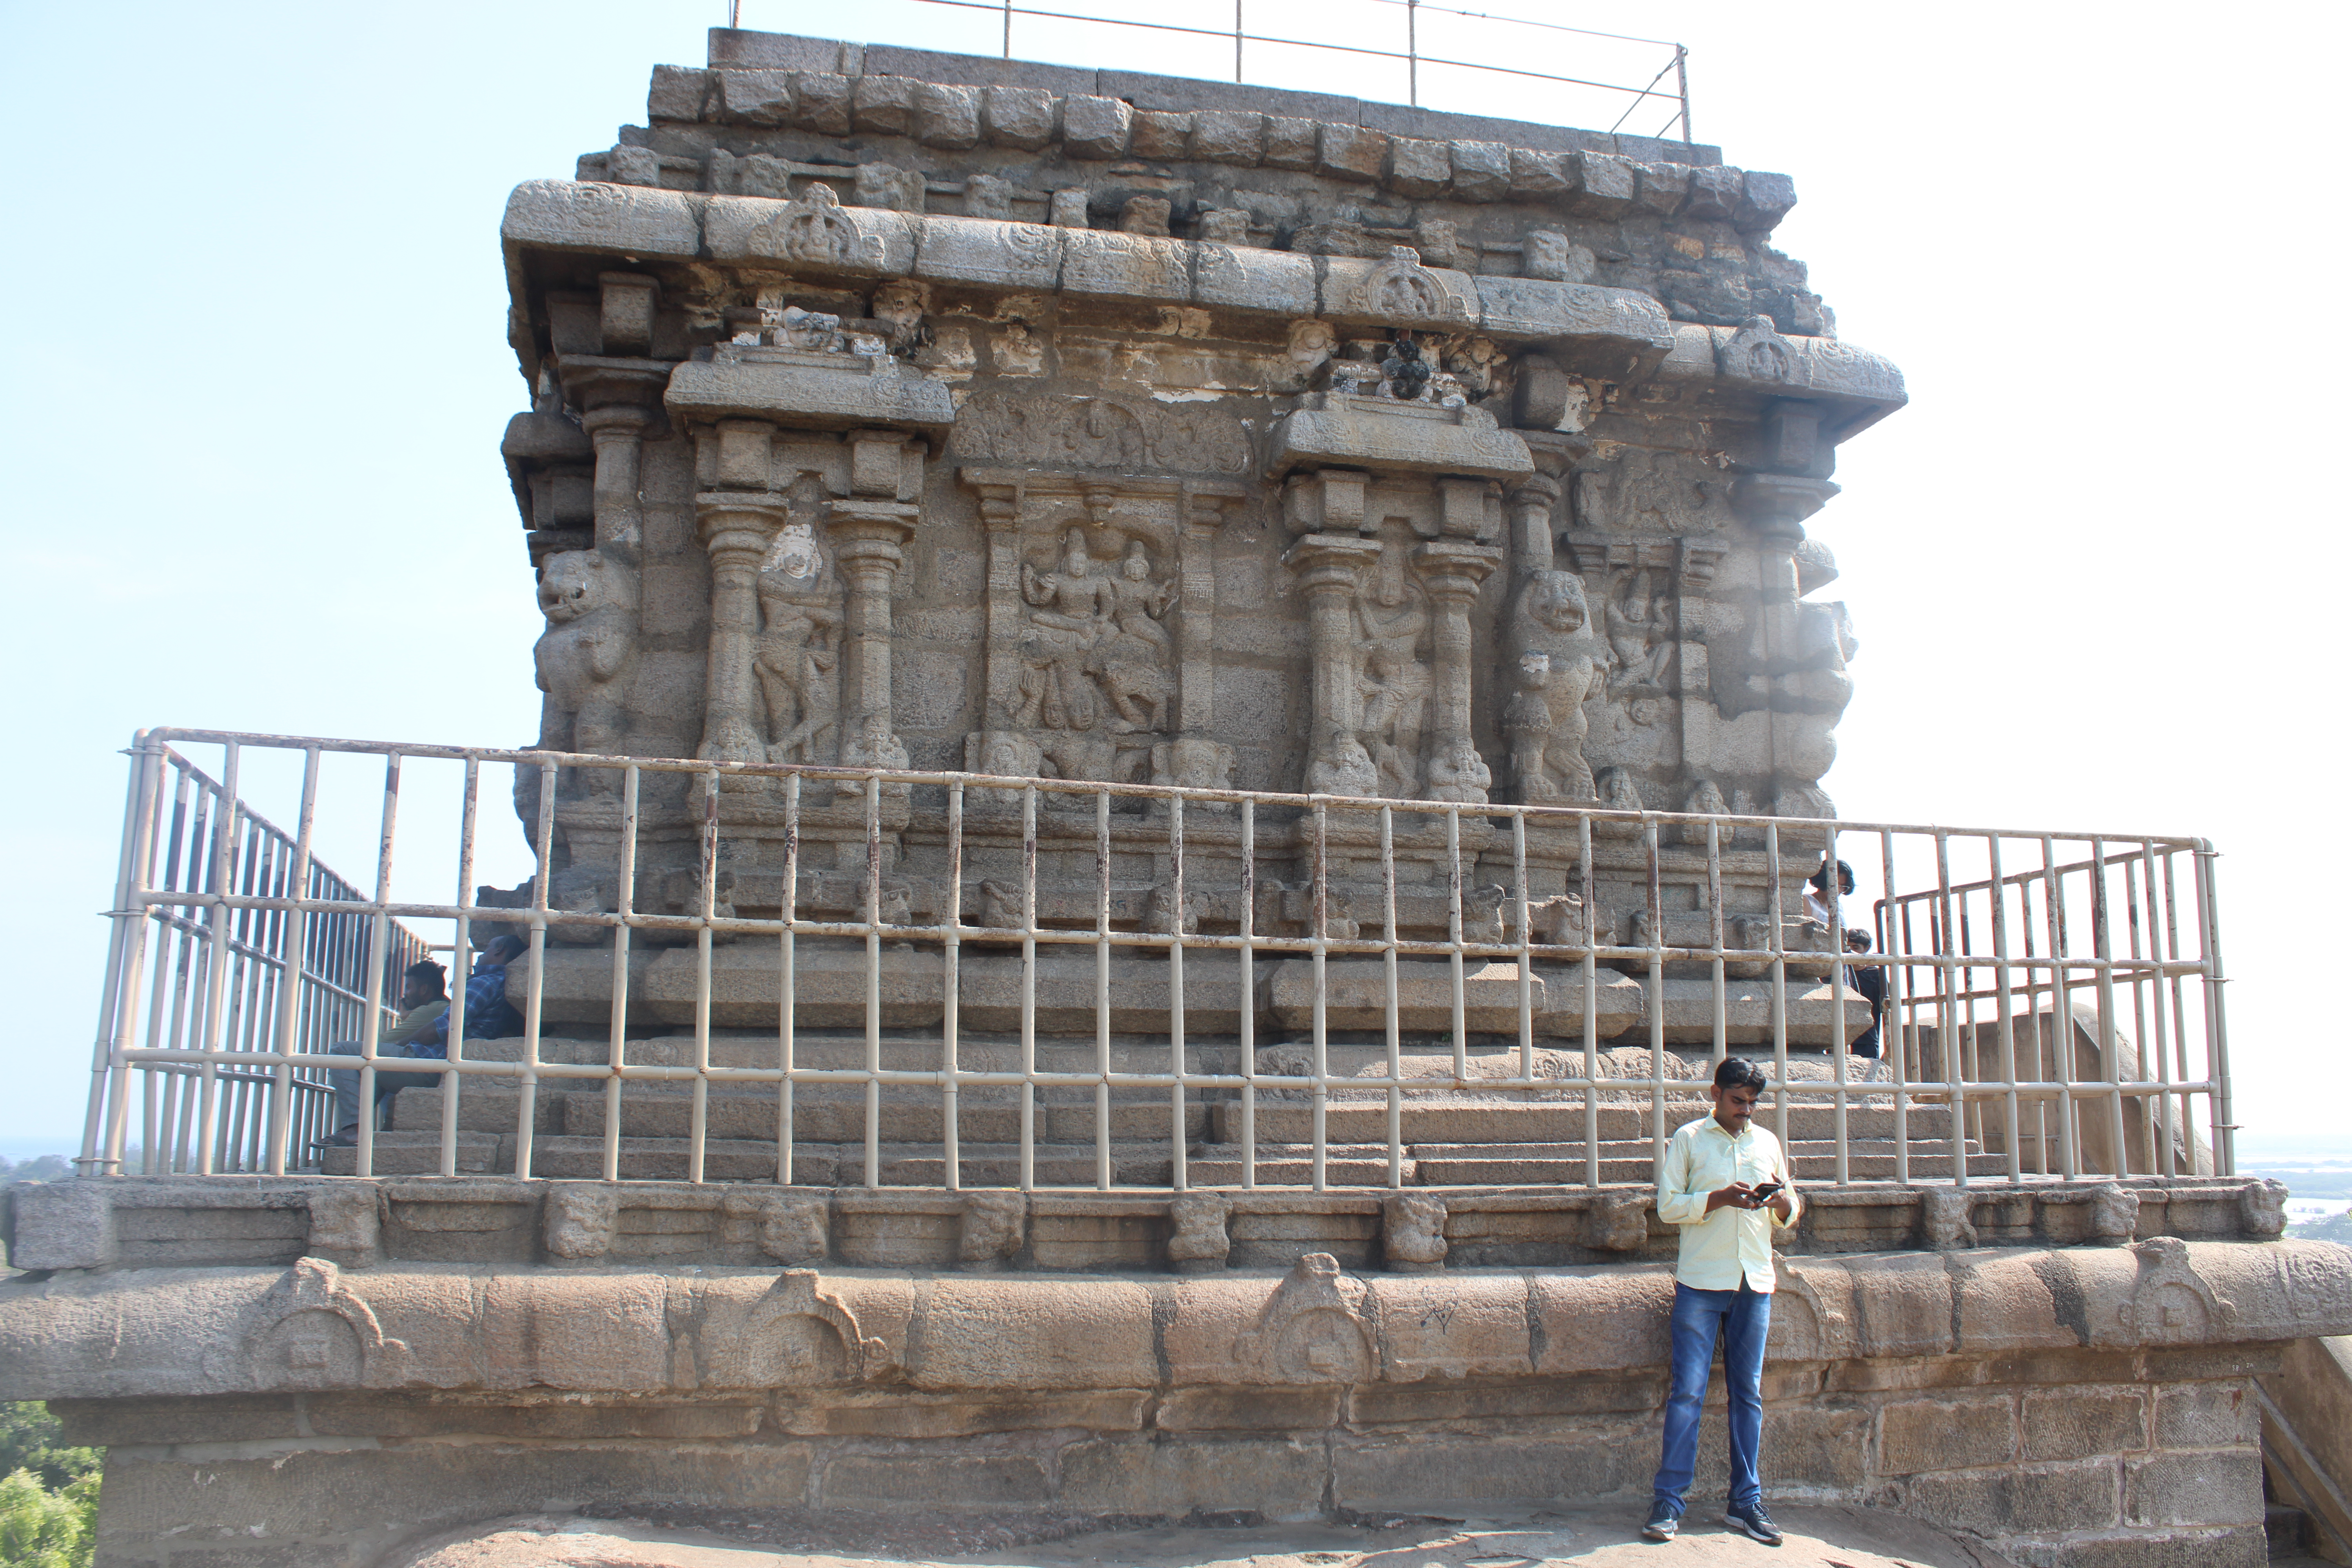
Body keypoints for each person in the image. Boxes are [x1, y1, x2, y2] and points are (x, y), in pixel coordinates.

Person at [1643, 1056, 1801, 1545]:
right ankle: (1669, 1502)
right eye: (1738, 1101)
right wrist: (1717, 1199)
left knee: (1748, 1395)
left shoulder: (1767, 1142)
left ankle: (1746, 1501)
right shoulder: (1689, 1139)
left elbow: (1791, 1211)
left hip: (1754, 1283)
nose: (1746, 1111)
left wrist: (1779, 1204)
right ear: (1716, 1094)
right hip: (1701, 1284)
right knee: (1687, 1393)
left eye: (1753, 1103)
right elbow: (1668, 1206)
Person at [319, 959, 450, 1148]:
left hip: (425, 1070)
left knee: (346, 1055)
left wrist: (408, 1017)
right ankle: (358, 1130)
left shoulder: (432, 1009)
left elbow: (384, 1043)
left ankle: (354, 1129)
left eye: (409, 987)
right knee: (370, 1070)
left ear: (423, 990)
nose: (405, 993)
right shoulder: (440, 1009)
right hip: (432, 1069)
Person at [1844, 928, 1890, 1083]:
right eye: (1847, 948)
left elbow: (1889, 1011)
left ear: (1867, 949)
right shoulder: (1838, 972)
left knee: (1866, 1086)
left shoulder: (1877, 976)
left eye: (1856, 948)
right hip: (1841, 1040)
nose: (1851, 953)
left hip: (1867, 1040)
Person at [1805, 857, 1855, 927]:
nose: (1839, 890)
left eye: (1843, 886)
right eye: (1835, 885)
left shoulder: (1839, 907)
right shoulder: (1807, 901)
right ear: (1824, 881)